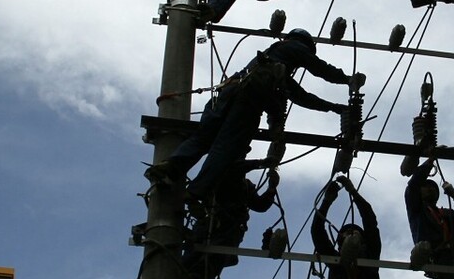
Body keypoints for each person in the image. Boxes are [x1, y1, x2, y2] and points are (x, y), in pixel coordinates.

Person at [145, 29, 365, 203]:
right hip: (248, 100)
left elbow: (300, 96)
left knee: (203, 138)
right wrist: (346, 79)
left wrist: (334, 107)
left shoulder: (268, 63)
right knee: (226, 147)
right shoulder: (294, 49)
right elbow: (318, 68)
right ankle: (195, 192)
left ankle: (170, 168)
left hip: (228, 92)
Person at [180, 163, 279, 279]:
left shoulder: (244, 185)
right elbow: (236, 168)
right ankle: (183, 277)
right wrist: (263, 162)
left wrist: (271, 188)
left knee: (217, 255)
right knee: (197, 252)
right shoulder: (216, 177)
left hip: (229, 229)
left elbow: (260, 205)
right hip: (211, 225)